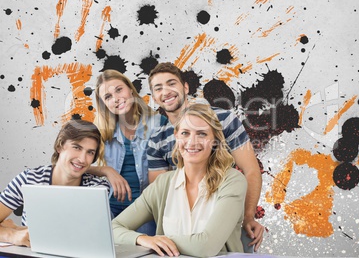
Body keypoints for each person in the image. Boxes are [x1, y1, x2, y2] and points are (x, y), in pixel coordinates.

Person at [146, 62, 264, 251]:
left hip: (223, 216)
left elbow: (251, 170)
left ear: (185, 87)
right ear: (154, 97)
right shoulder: (156, 140)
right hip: (182, 229)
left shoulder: (224, 119)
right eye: (158, 88)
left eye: (171, 83)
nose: (166, 91)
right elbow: (160, 195)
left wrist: (248, 216)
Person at [113, 104, 247, 257]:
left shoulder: (233, 181)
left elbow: (206, 247)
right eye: (185, 133)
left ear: (215, 140)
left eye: (202, 134)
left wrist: (162, 240)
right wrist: (142, 239)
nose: (192, 141)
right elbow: (114, 227)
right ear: (176, 136)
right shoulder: (162, 184)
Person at [0, 120, 110, 247]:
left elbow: (82, 237)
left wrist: (16, 228)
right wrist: (11, 235)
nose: (82, 159)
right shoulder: (29, 179)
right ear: (59, 146)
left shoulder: (97, 188)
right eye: (76, 147)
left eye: (90, 152)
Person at [89, 70, 166, 232]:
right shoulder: (101, 130)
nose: (116, 99)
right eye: (108, 97)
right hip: (110, 207)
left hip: (144, 208)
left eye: (119, 90)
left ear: (130, 90)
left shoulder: (158, 123)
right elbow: (73, 165)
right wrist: (106, 170)